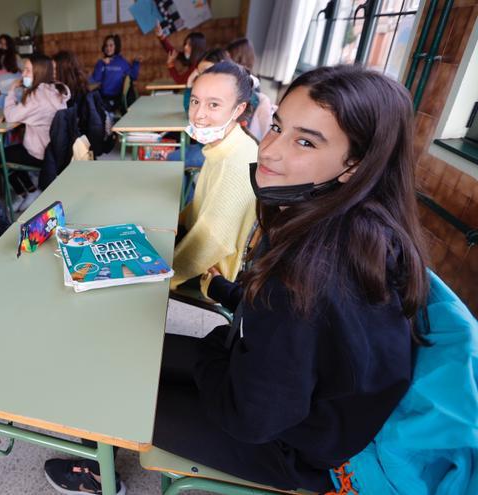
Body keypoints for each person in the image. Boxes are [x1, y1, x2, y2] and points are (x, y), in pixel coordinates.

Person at [150, 64, 429, 493]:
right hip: (276, 388)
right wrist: (230, 296)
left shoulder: (308, 275)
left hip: (294, 448)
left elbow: (252, 418)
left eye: (304, 141)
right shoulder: (353, 221)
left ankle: (97, 469)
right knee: (142, 357)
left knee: (125, 400)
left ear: (355, 164)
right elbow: (296, 338)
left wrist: (210, 351)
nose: (271, 150)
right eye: (277, 126)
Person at [169, 61, 258, 294]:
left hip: (212, 270)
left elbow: (213, 241)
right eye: (195, 101)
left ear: (238, 110)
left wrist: (165, 274)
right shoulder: (225, 144)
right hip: (199, 245)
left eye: (214, 105)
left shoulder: (236, 161)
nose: (199, 115)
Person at [0, 54, 70, 213]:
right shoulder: (56, 89)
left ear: (40, 72)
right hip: (56, 151)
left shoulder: (35, 97)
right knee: (14, 150)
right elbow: (32, 114)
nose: (23, 74)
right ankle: (30, 190)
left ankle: (25, 192)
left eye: (28, 70)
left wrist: (11, 91)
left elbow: (11, 116)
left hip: (39, 154)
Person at [89, 34, 141, 113]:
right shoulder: (100, 63)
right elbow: (94, 80)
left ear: (116, 47)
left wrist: (136, 63)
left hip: (115, 98)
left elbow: (133, 76)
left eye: (111, 45)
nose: (108, 48)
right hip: (102, 97)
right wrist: (102, 66)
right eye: (106, 46)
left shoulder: (121, 62)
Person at [0, 34, 22, 110]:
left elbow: (25, 73)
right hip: (2, 93)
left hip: (17, 92)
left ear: (10, 46)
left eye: (5, 44)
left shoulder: (16, 57)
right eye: (1, 43)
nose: (3, 46)